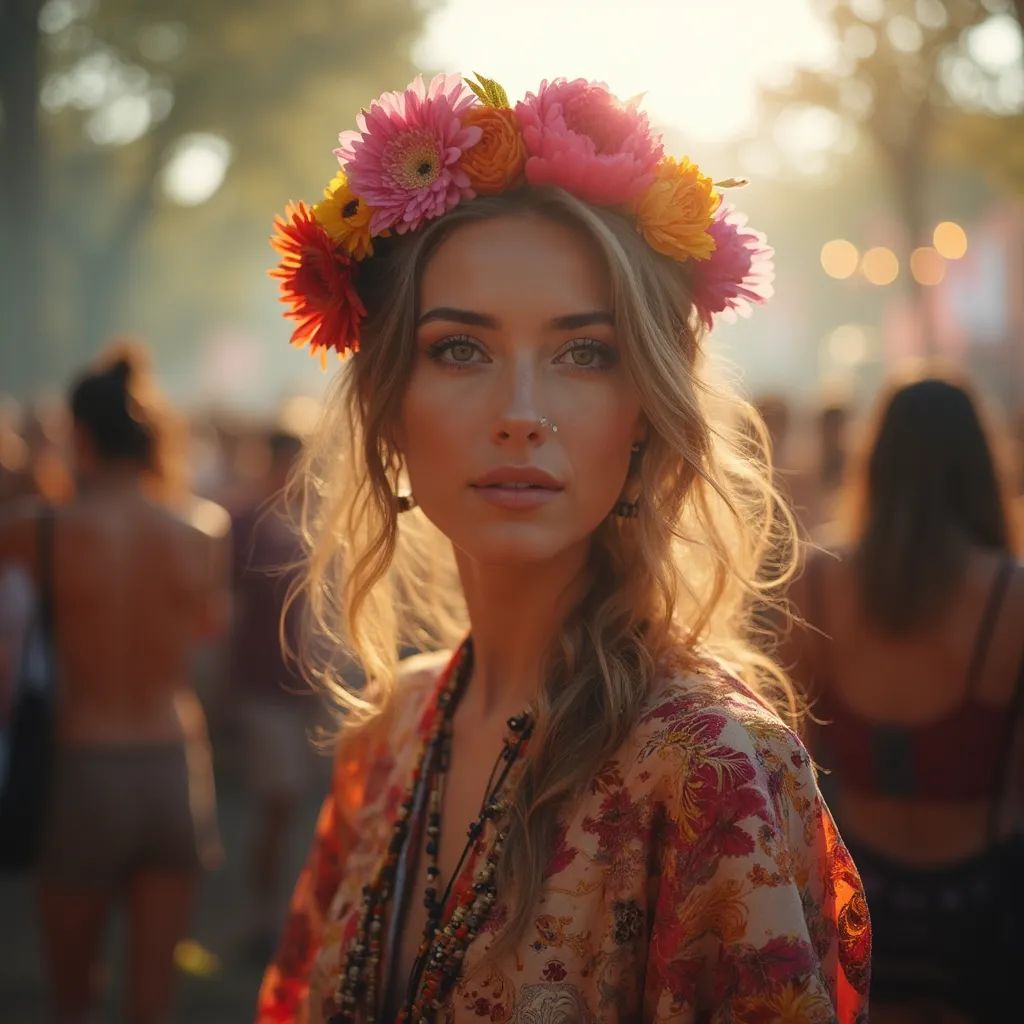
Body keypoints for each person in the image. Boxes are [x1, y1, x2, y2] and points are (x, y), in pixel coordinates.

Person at [256, 73, 871, 1022]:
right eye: (461, 348)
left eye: (584, 353)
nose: (521, 415)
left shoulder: (710, 765)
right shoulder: (389, 734)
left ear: (644, 417)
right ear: (387, 411)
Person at [0, 344, 231, 1023]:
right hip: (173, 766)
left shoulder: (33, 532)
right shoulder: (202, 529)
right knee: (153, 1003)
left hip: (82, 766)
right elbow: (205, 630)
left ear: (78, 434)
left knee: (73, 1000)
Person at [786, 373, 1024, 1023]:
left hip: (855, 894)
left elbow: (787, 765)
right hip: (984, 905)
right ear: (981, 465)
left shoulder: (817, 582)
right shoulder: (1011, 596)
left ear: (877, 461)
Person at [228, 425, 325, 962]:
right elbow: (229, 608)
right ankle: (264, 916)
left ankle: (291, 916)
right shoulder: (249, 522)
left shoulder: (322, 519)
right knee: (278, 801)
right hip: (267, 685)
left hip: (313, 689)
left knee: (302, 809)